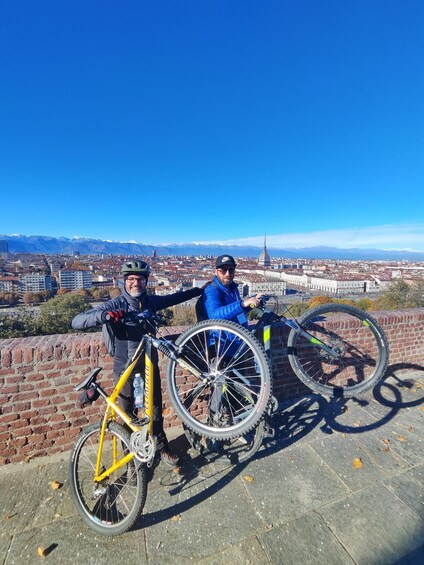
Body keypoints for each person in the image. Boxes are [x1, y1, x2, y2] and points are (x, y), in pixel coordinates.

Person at [71, 259, 204, 467]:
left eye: (139, 279)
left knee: (156, 410)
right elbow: (77, 321)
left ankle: (162, 449)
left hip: (148, 365)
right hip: (124, 368)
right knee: (126, 416)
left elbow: (173, 298)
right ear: (124, 281)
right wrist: (104, 315)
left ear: (145, 281)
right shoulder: (116, 303)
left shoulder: (149, 302)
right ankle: (132, 464)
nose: (135, 283)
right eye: (131, 279)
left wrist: (197, 290)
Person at [203, 254, 263, 326]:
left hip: (241, 332)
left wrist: (253, 301)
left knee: (268, 329)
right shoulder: (211, 290)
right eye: (223, 270)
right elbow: (214, 315)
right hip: (223, 336)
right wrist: (242, 304)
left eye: (231, 270)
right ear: (216, 272)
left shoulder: (233, 288)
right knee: (267, 333)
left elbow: (237, 311)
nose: (227, 274)